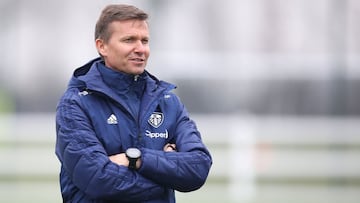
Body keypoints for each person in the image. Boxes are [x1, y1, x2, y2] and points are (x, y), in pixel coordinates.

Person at [55, 4, 212, 203]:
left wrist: (137, 159)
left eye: (144, 40)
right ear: (101, 46)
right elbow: (98, 179)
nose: (140, 49)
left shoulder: (168, 102)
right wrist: (166, 175)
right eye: (129, 40)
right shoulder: (75, 104)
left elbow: (198, 167)